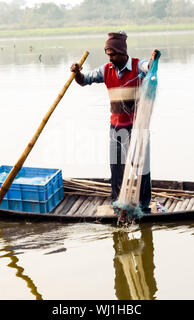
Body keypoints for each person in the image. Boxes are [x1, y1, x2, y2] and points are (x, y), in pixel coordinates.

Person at [70, 31, 159, 213]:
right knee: (117, 168)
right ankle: (119, 205)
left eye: (113, 54)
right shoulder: (106, 70)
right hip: (116, 128)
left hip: (137, 128)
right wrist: (77, 73)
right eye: (108, 55)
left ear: (122, 52)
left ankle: (143, 206)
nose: (110, 58)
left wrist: (153, 60)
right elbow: (85, 80)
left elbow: (148, 66)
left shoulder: (136, 66)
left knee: (141, 167)